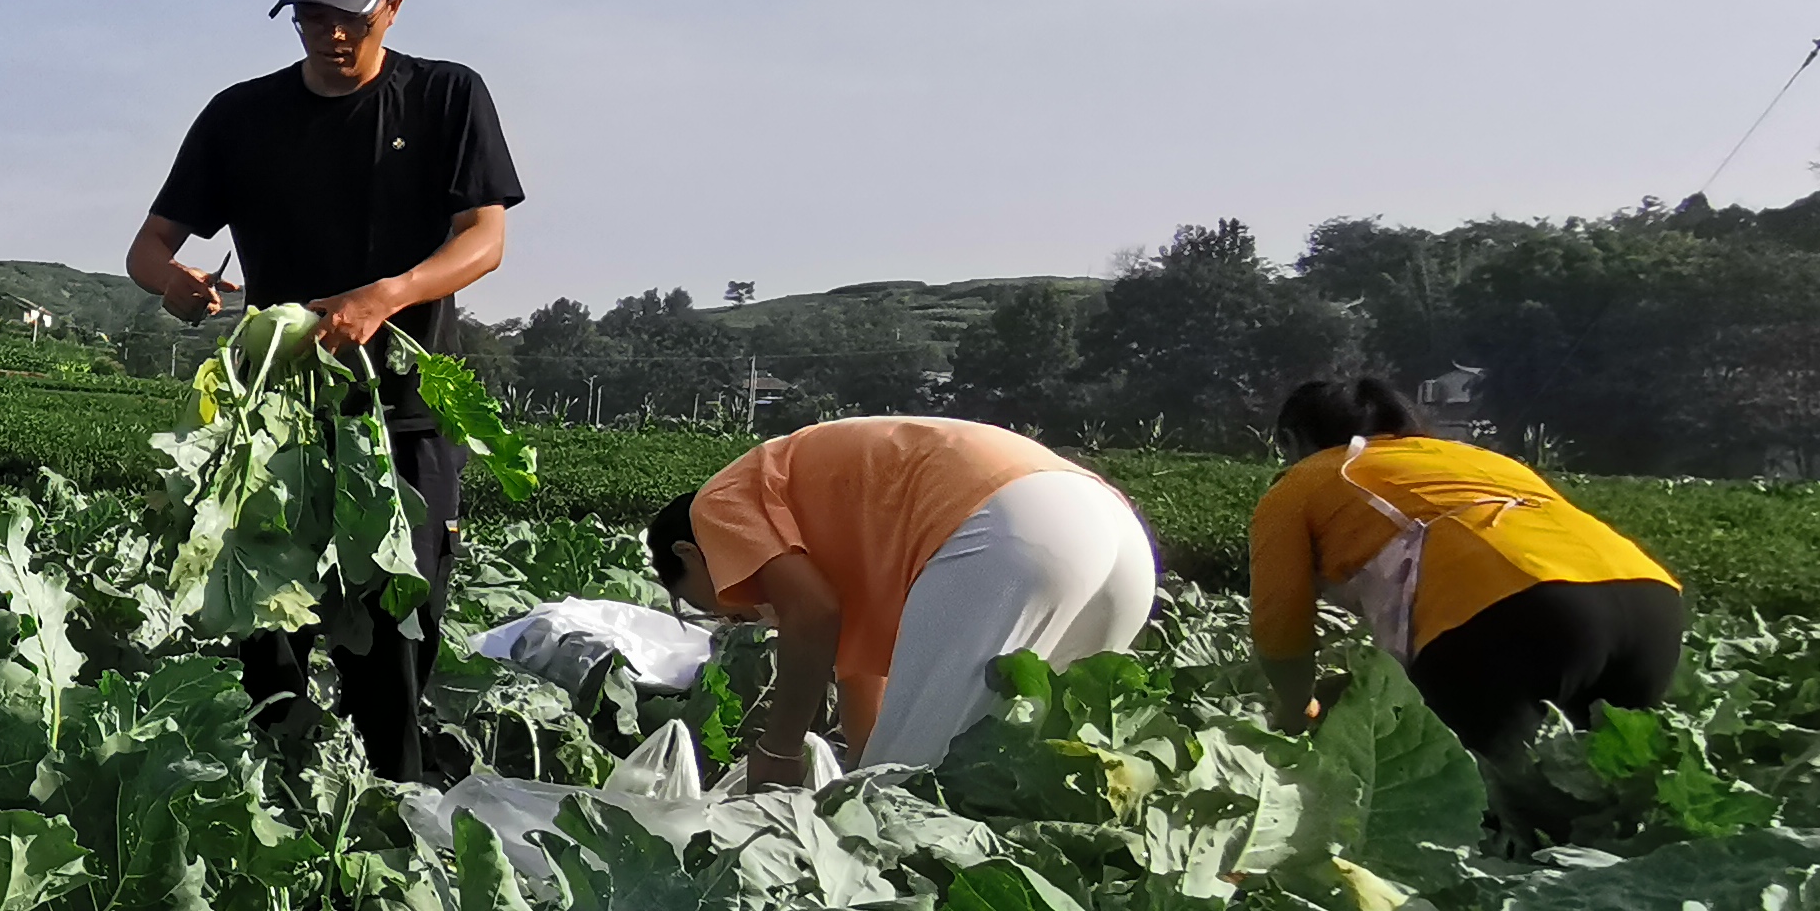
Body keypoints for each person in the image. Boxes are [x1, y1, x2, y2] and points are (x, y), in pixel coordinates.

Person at [125, 0, 523, 775]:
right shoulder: (240, 116)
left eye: (353, 16)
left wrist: (385, 297)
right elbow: (147, 247)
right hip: (275, 425)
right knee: (268, 644)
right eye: (312, 16)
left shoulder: (446, 97)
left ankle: (390, 826)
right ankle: (275, 824)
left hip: (401, 422)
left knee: (391, 650)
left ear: (395, 7)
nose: (333, 34)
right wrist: (176, 283)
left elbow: (484, 239)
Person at [650, 415, 1156, 778]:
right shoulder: (840, 544)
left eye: (700, 603)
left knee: (902, 809)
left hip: (1010, 529)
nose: (733, 617)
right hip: (1114, 533)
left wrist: (779, 752)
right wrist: (859, 771)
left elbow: (813, 614)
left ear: (690, 556)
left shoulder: (715, 505)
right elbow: (865, 693)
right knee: (1034, 774)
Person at [1251, 376, 1685, 755]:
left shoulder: (1305, 480)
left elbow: (1280, 621)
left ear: (1293, 442)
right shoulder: (1476, 459)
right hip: (1651, 604)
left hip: (1515, 613)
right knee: (1596, 805)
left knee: (1469, 821)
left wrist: (1295, 707)